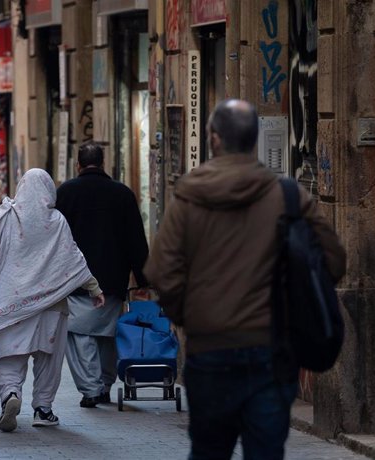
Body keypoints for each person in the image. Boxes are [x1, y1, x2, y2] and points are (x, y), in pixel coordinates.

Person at [143, 99, 346, 459]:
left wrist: (189, 318)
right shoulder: (287, 196)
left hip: (209, 350)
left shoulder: (188, 198)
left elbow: (161, 272)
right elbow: (332, 260)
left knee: (208, 451)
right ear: (254, 141)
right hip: (272, 349)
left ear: (214, 138)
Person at [0, 168, 105, 432]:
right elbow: (71, 257)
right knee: (49, 360)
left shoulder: (6, 217)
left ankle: (10, 395)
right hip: (51, 304)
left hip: (9, 305)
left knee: (9, 357)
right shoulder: (56, 220)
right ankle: (43, 409)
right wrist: (94, 288)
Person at [56, 141, 149, 407]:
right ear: (103, 163)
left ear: (78, 164)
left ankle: (91, 388)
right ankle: (106, 383)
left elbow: (56, 240)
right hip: (113, 278)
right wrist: (143, 278)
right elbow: (136, 240)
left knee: (79, 334)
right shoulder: (122, 194)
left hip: (76, 280)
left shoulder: (66, 193)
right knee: (107, 334)